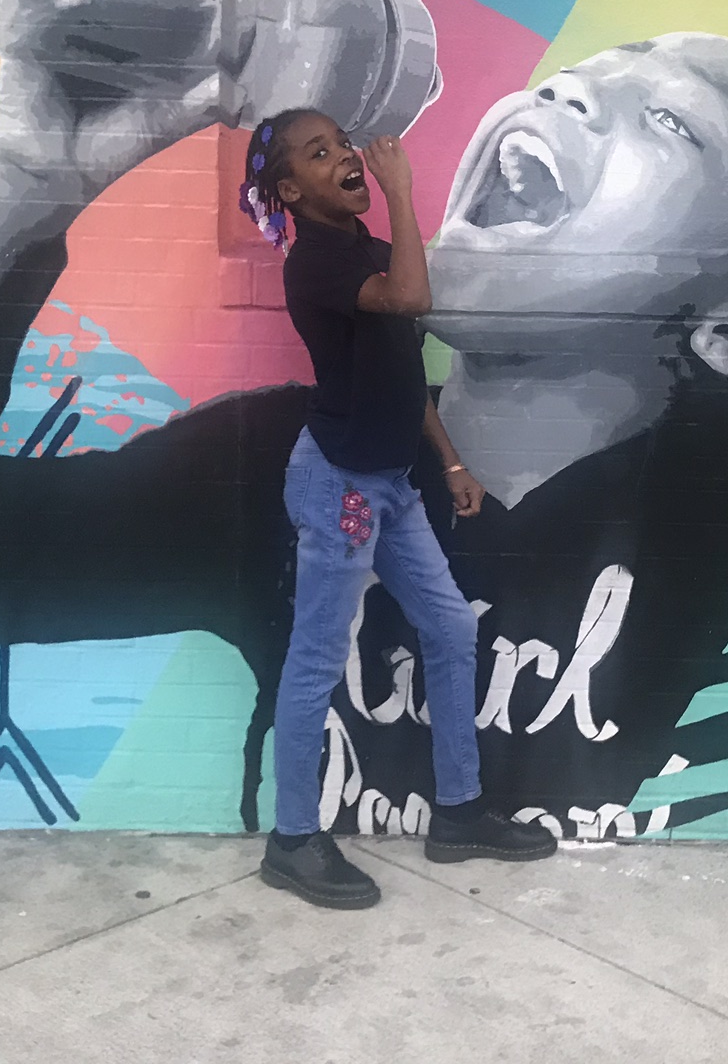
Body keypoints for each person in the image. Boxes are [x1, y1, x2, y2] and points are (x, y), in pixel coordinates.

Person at [0, 27, 728, 845]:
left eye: (669, 120)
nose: (570, 96)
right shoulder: (275, 467)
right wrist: (16, 198)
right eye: (578, 73)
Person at [242, 112, 556, 908]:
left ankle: (458, 813)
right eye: (320, 154)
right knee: (317, 656)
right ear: (290, 190)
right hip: (340, 486)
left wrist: (449, 460)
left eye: (342, 144)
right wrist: (402, 189)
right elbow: (412, 295)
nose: (345, 156)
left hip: (390, 483)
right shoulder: (313, 263)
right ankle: (292, 840)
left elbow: (403, 372)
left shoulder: (369, 253)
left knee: (450, 626)